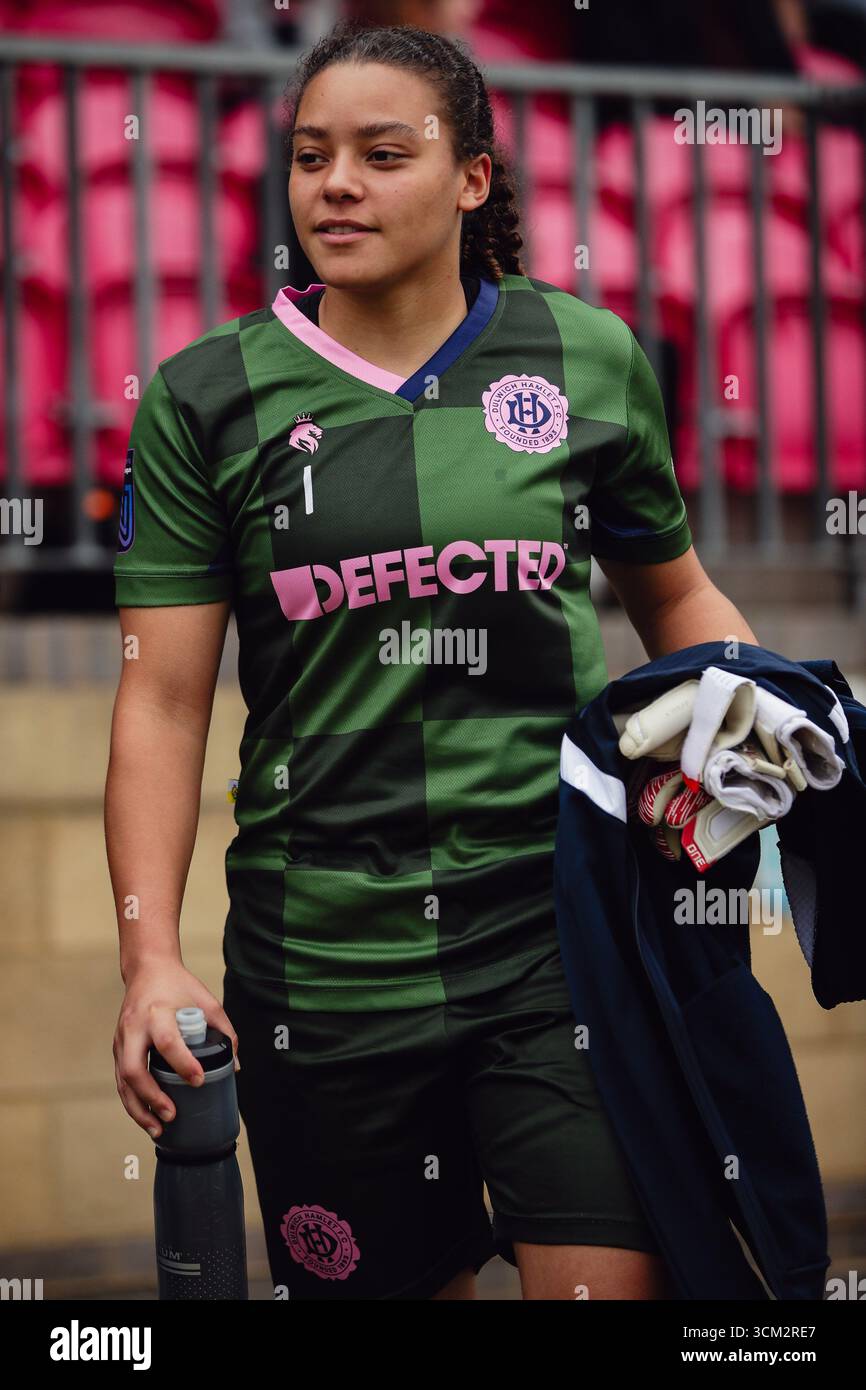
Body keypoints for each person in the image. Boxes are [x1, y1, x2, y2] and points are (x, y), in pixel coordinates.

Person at [106, 19, 759, 1301]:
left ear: (471, 177)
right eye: (309, 156)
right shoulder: (204, 399)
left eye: (379, 152)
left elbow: (673, 597)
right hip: (322, 959)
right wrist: (150, 956)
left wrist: (774, 709)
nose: (334, 183)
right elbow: (164, 701)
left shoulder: (586, 356)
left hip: (555, 932)